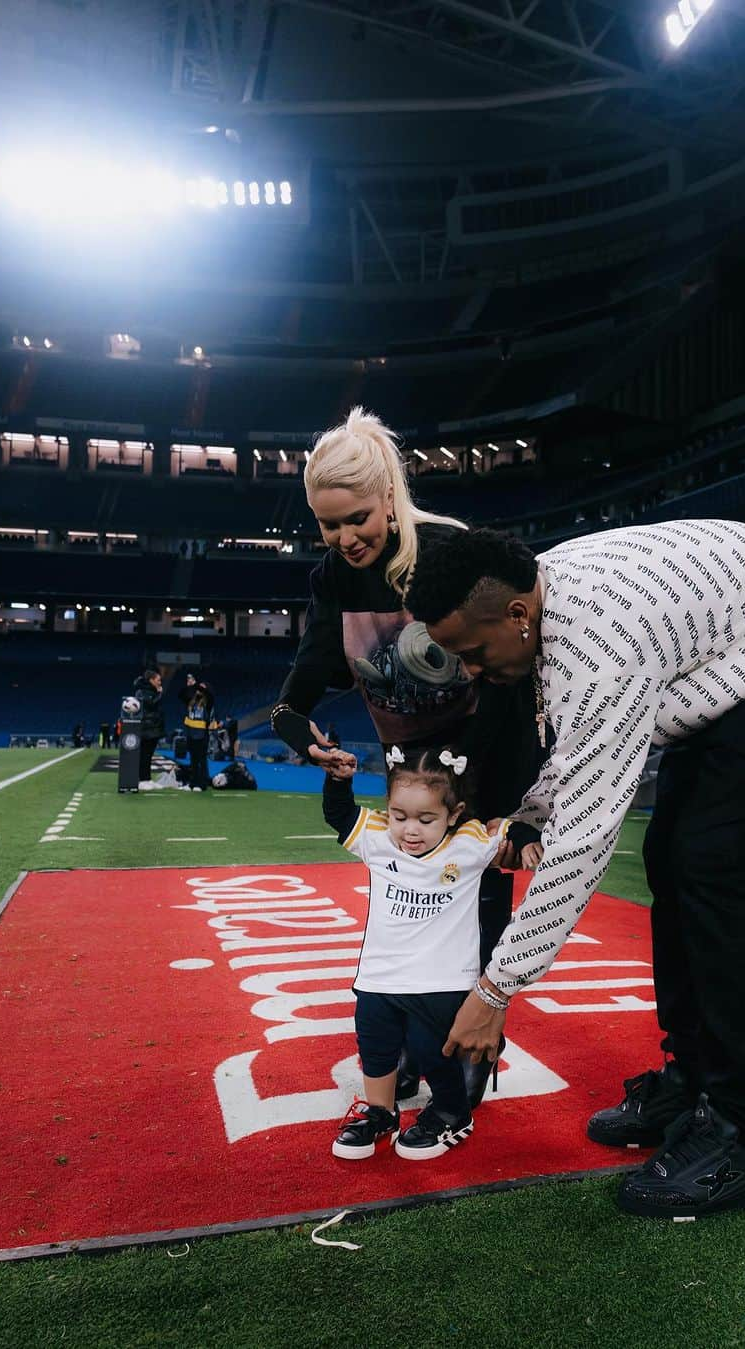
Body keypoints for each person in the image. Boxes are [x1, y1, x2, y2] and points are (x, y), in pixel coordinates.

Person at [405, 520, 745, 1220]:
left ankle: (744, 1132)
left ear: (519, 614)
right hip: (729, 649)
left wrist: (494, 991)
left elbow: (583, 844)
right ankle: (693, 1082)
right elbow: (580, 745)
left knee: (712, 859)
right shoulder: (542, 601)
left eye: (472, 651)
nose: (469, 670)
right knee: (670, 853)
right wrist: (530, 812)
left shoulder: (597, 648)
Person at [269, 407, 547, 1104]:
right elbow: (294, 695)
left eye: (357, 518)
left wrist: (522, 810)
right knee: (414, 918)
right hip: (410, 785)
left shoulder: (450, 548)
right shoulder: (333, 579)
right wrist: (298, 732)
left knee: (476, 926)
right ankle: (426, 1042)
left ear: (390, 495)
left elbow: (518, 674)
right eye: (327, 525)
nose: (343, 537)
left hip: (483, 777)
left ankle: (469, 1053)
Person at [321, 744, 541, 1161]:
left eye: (426, 819)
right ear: (388, 809)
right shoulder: (378, 838)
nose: (410, 830)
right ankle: (381, 1114)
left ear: (453, 814)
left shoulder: (468, 842)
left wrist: (525, 838)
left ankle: (452, 1111)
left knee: (431, 1050)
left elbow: (504, 828)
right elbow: (340, 816)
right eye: (400, 816)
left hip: (442, 980)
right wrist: (338, 780)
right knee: (375, 1046)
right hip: (379, 976)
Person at [179, 672, 215, 791]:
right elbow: (181, 694)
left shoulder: (208, 702)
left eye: (202, 688)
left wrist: (196, 685)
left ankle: (202, 784)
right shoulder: (191, 700)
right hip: (191, 735)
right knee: (193, 760)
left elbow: (209, 694)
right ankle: (193, 783)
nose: (199, 689)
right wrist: (190, 686)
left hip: (202, 736)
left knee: (201, 760)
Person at [133, 668, 165, 785]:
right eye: (158, 680)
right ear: (151, 680)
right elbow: (151, 704)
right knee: (144, 755)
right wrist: (160, 693)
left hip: (153, 728)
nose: (160, 682)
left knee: (148, 755)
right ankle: (142, 780)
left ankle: (147, 779)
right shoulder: (142, 691)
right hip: (147, 728)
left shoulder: (150, 691)